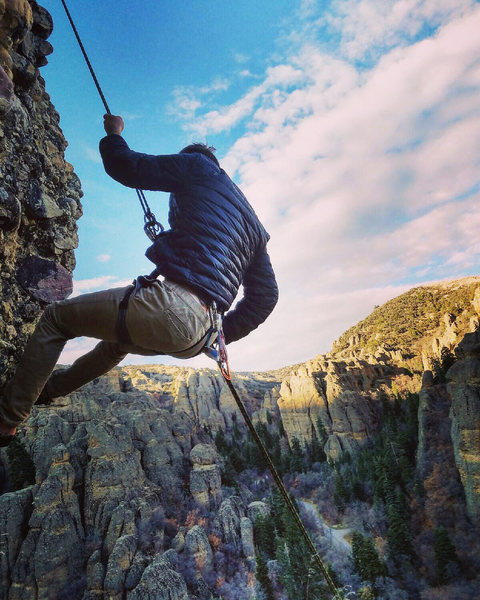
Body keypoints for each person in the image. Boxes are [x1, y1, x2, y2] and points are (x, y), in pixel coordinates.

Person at [0, 114, 278, 446]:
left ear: (194, 158)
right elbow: (266, 297)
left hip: (172, 308)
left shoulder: (199, 168)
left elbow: (125, 166)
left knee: (56, 320)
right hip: (198, 336)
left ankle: (7, 420)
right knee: (116, 346)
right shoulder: (254, 228)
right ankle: (47, 392)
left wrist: (113, 133)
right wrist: (222, 335)